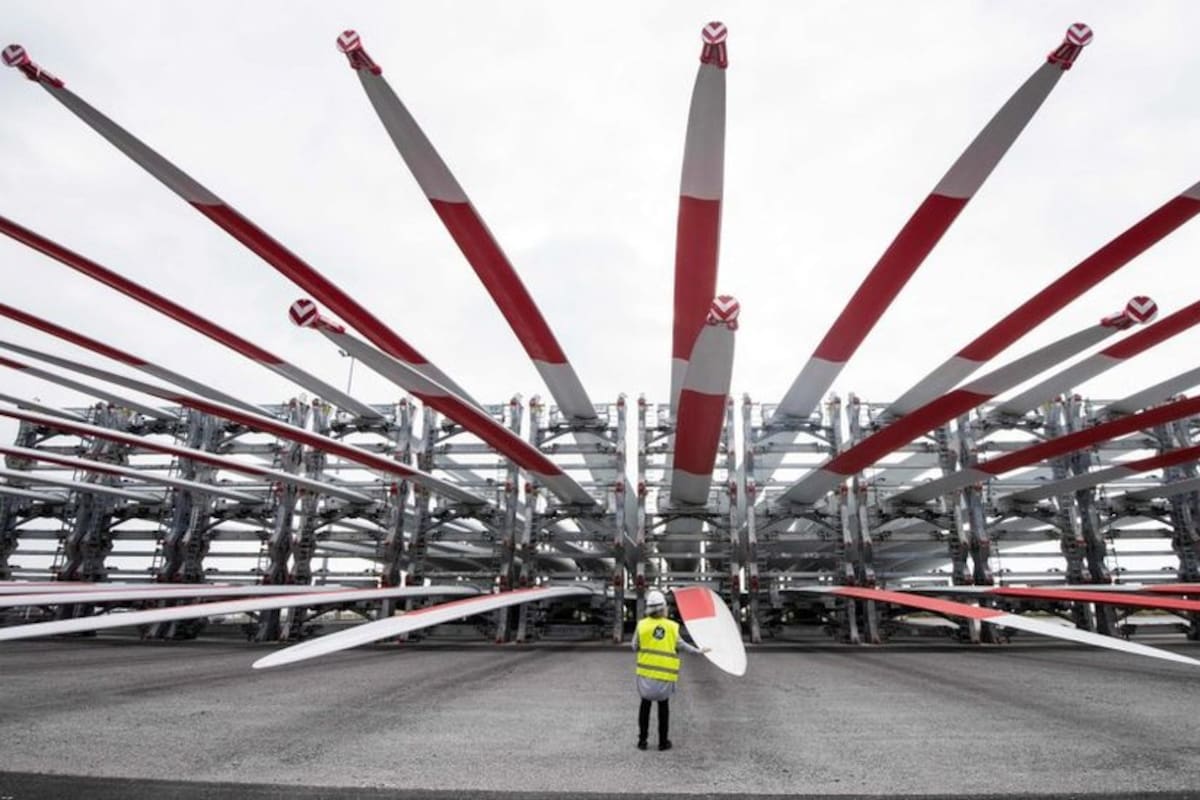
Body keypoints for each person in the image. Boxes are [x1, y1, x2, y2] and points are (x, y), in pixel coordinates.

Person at [631, 589, 709, 751]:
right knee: (663, 708)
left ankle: (642, 741)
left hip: (645, 676)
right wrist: (699, 651)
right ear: (663, 608)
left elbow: (634, 646)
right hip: (664, 678)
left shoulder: (642, 625)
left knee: (645, 706)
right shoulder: (672, 627)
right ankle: (662, 742)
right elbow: (683, 646)